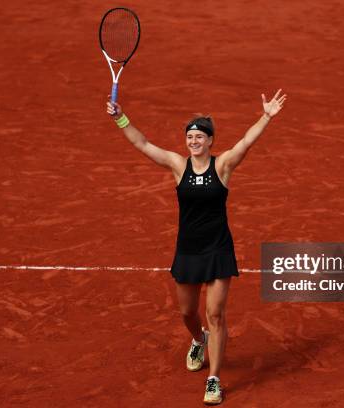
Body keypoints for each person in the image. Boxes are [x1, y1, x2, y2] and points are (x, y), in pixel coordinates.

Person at [106, 90, 286, 405]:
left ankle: (213, 379)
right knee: (188, 312)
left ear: (210, 141)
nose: (193, 140)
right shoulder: (178, 165)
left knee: (215, 314)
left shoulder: (223, 166)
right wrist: (120, 117)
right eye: (190, 136)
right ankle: (197, 339)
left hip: (217, 249)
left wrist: (267, 116)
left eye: (199, 136)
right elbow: (143, 144)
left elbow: (245, 142)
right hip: (188, 250)